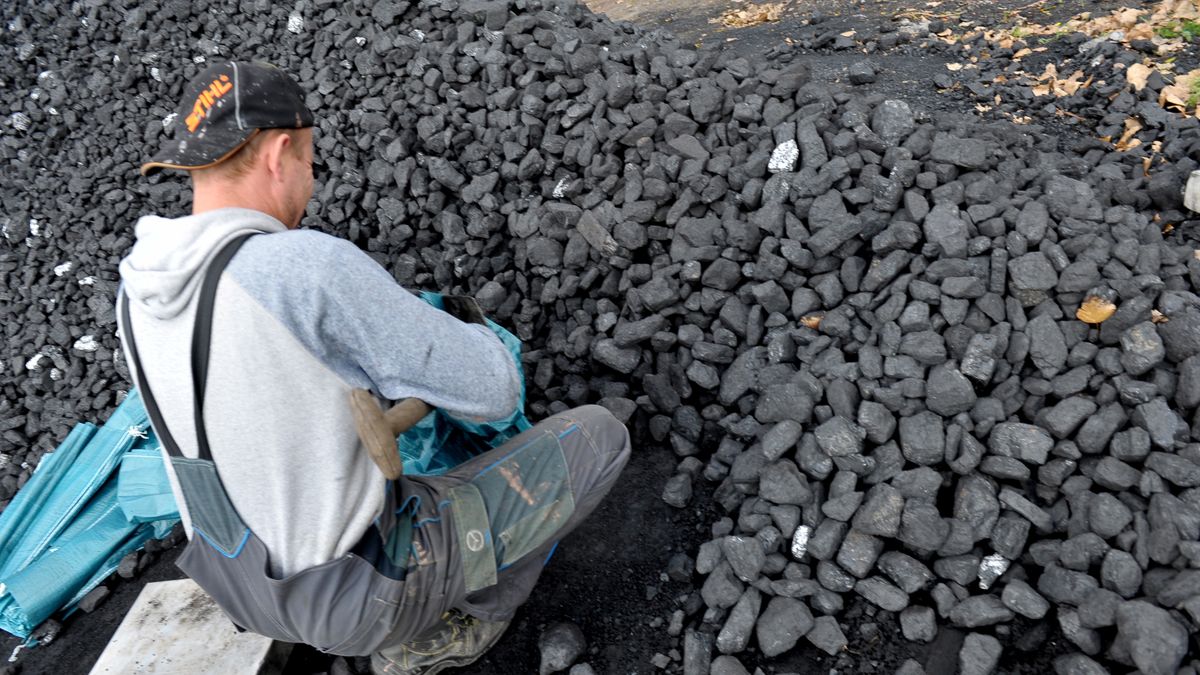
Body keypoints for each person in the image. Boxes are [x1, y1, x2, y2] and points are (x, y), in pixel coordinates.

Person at [116, 61, 631, 674]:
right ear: (280, 152)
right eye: (309, 162)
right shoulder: (298, 268)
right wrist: (471, 339)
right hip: (361, 593)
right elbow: (493, 390)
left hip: (239, 589)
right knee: (600, 437)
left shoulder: (138, 294)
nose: (309, 183)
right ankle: (453, 626)